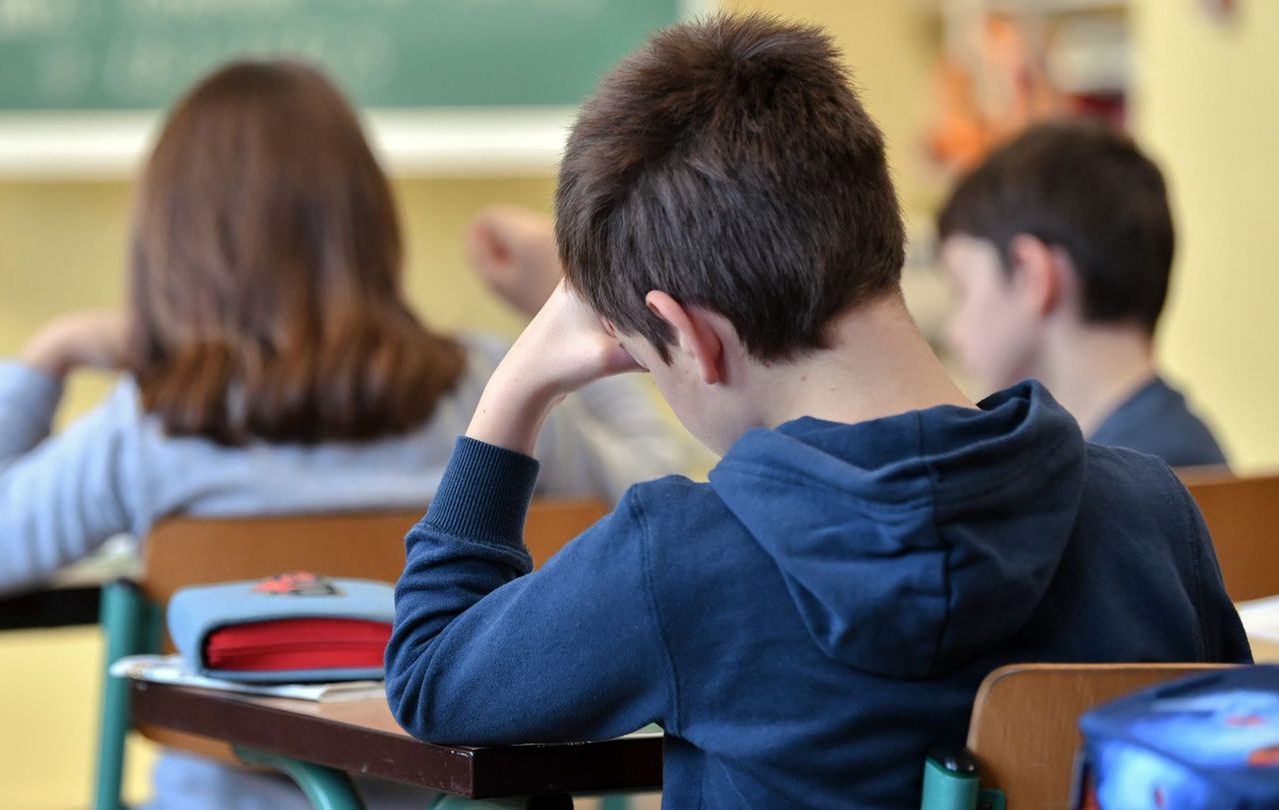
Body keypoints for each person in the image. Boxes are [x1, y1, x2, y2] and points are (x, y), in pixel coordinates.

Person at [384, 16, 1251, 809]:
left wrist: (517, 385)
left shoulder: (682, 559)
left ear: (693, 339)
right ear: (879, 229)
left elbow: (428, 675)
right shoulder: (1153, 517)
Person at [0, 60, 685, 809]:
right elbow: (648, 494)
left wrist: (44, 359)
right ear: (368, 222)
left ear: (172, 243)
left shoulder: (149, 425)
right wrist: (565, 305)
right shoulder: (490, 395)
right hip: (454, 799)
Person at [938, 120, 1227, 469]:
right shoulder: (1165, 446)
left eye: (962, 290)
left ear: (1032, 275)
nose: (952, 333)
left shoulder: (1137, 479)